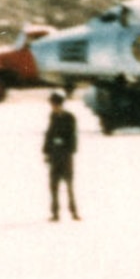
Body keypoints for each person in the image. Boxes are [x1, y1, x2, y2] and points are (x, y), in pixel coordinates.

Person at [43, 92, 80, 222]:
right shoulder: (52, 116)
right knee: (53, 185)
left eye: (53, 104)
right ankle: (55, 213)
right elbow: (49, 134)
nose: (52, 107)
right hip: (55, 155)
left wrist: (68, 149)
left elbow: (72, 136)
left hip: (65, 155)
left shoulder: (69, 117)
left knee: (69, 185)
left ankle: (74, 212)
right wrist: (46, 152)